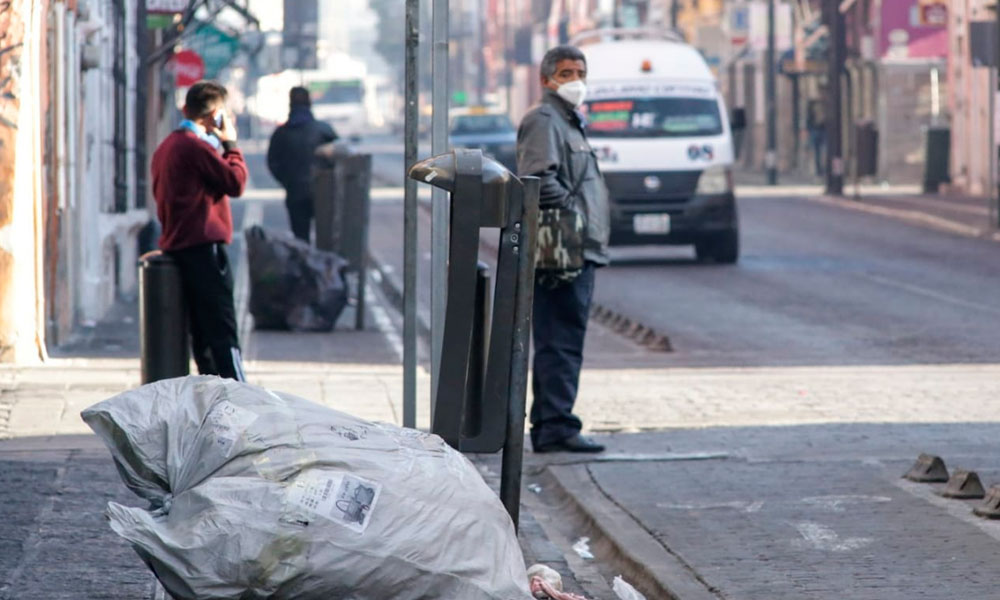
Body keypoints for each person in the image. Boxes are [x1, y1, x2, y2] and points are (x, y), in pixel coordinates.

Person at [517, 45, 610, 453]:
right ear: (546, 79)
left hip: (578, 248)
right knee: (560, 340)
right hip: (563, 251)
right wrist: (575, 217)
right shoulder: (544, 119)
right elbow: (538, 178)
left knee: (566, 337)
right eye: (567, 73)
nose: (575, 80)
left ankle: (554, 421)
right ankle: (555, 427)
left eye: (580, 72)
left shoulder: (569, 120)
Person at [151, 80, 248, 381]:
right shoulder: (196, 148)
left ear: (185, 109)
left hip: (178, 246)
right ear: (215, 114)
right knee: (222, 330)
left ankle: (212, 401)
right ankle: (237, 400)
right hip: (203, 249)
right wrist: (231, 144)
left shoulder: (167, 146)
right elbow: (236, 183)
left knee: (202, 336)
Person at [267, 86, 339, 242]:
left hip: (295, 192)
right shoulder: (323, 130)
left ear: (290, 104)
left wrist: (287, 181)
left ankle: (305, 266)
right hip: (323, 192)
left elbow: (272, 162)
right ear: (310, 103)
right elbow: (340, 157)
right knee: (326, 239)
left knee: (301, 240)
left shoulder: (281, 133)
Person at [806, 95, 826, 177]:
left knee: (824, 150)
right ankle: (819, 170)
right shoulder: (812, 104)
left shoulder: (825, 104)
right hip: (815, 130)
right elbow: (808, 118)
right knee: (817, 151)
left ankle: (823, 169)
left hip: (823, 130)